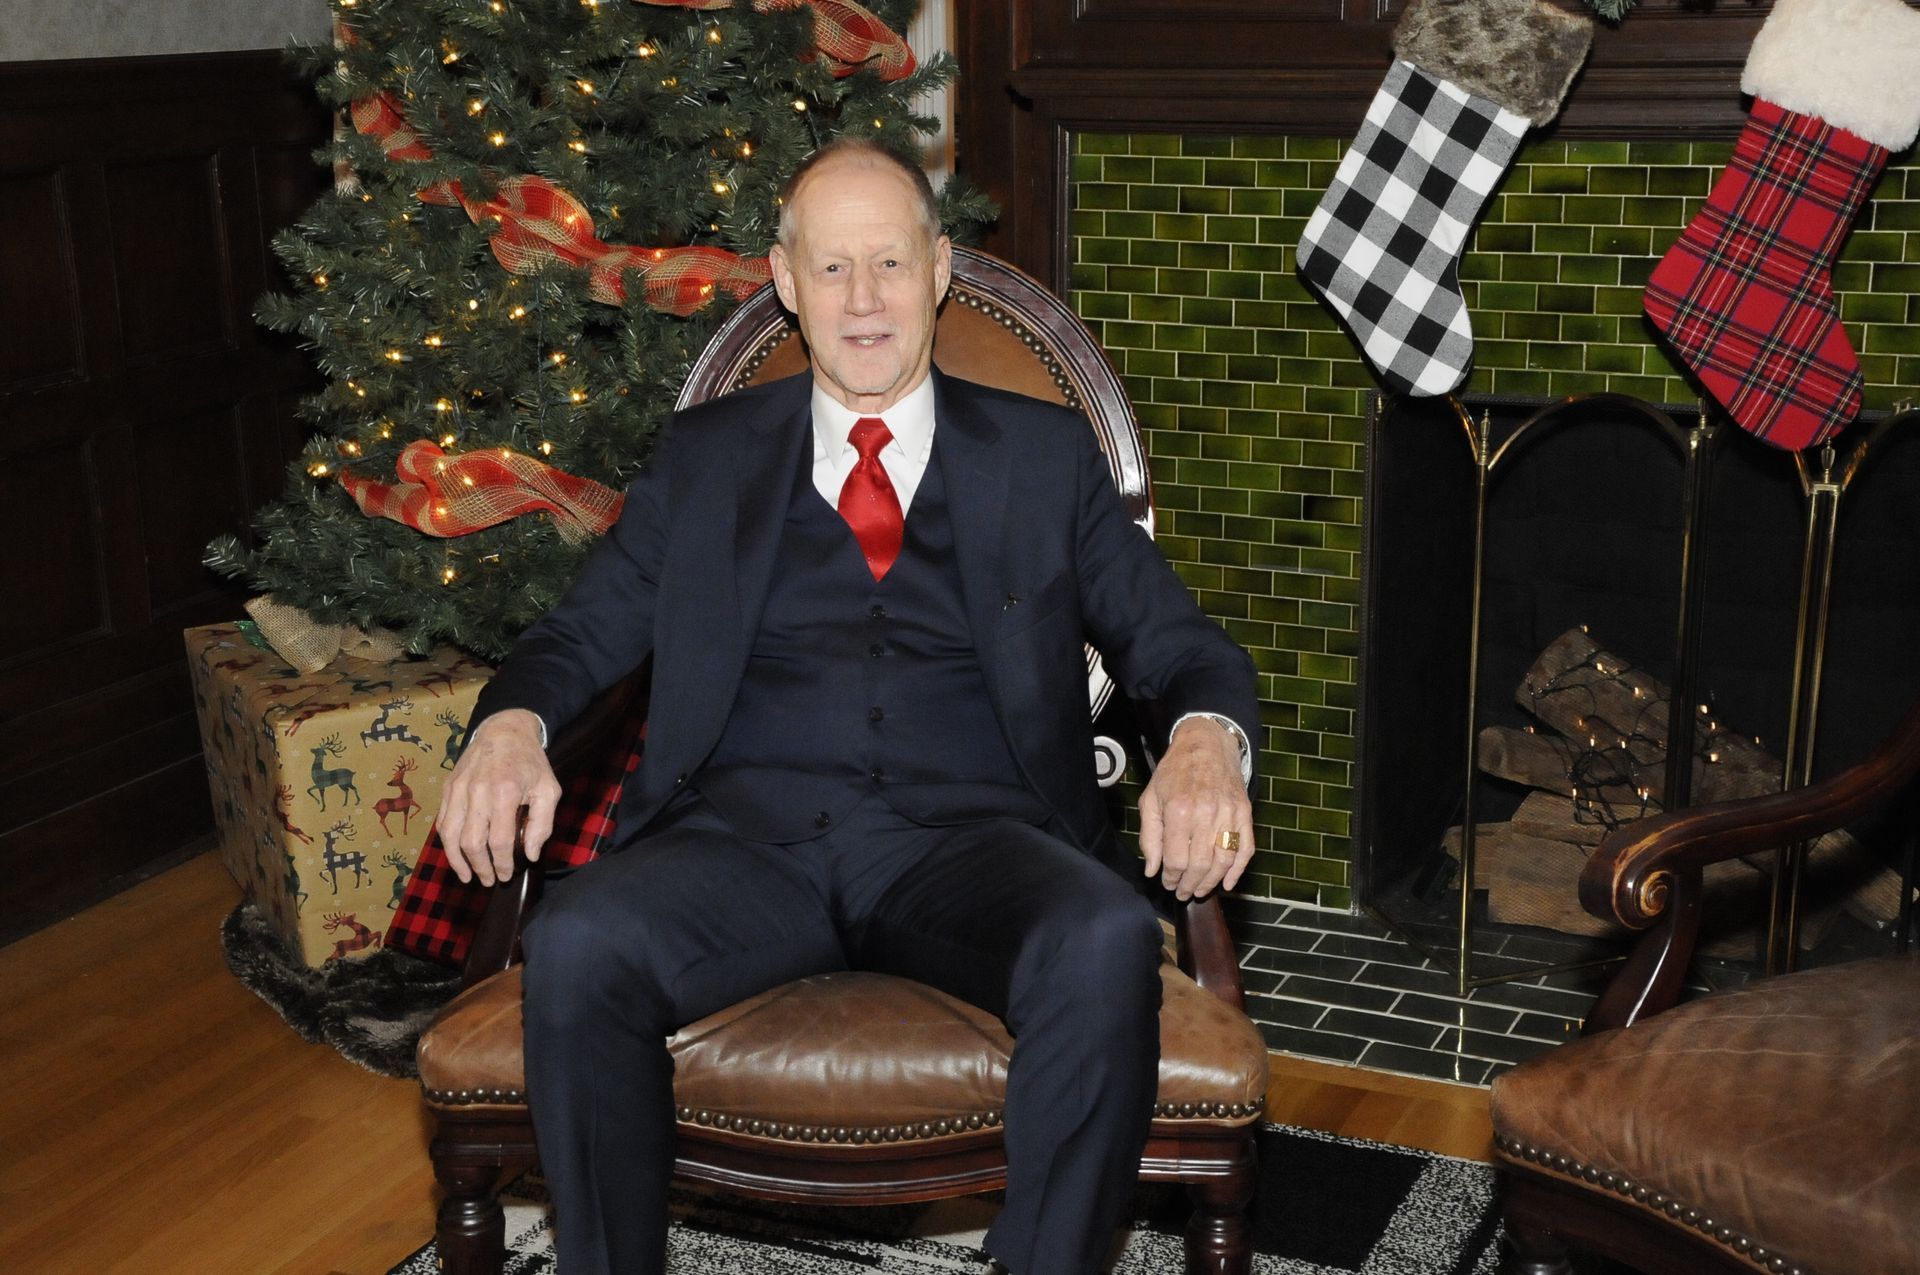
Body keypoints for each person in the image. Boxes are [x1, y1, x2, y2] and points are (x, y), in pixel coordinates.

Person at [436, 138, 1260, 1275]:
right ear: (785, 283)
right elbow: (580, 635)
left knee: (1105, 936)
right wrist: (512, 724)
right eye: (831, 270)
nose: (863, 300)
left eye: (888, 264)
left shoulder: (1041, 457)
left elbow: (1185, 648)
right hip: (745, 846)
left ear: (939, 271)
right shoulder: (703, 460)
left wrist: (1209, 744)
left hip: (975, 846)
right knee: (578, 940)